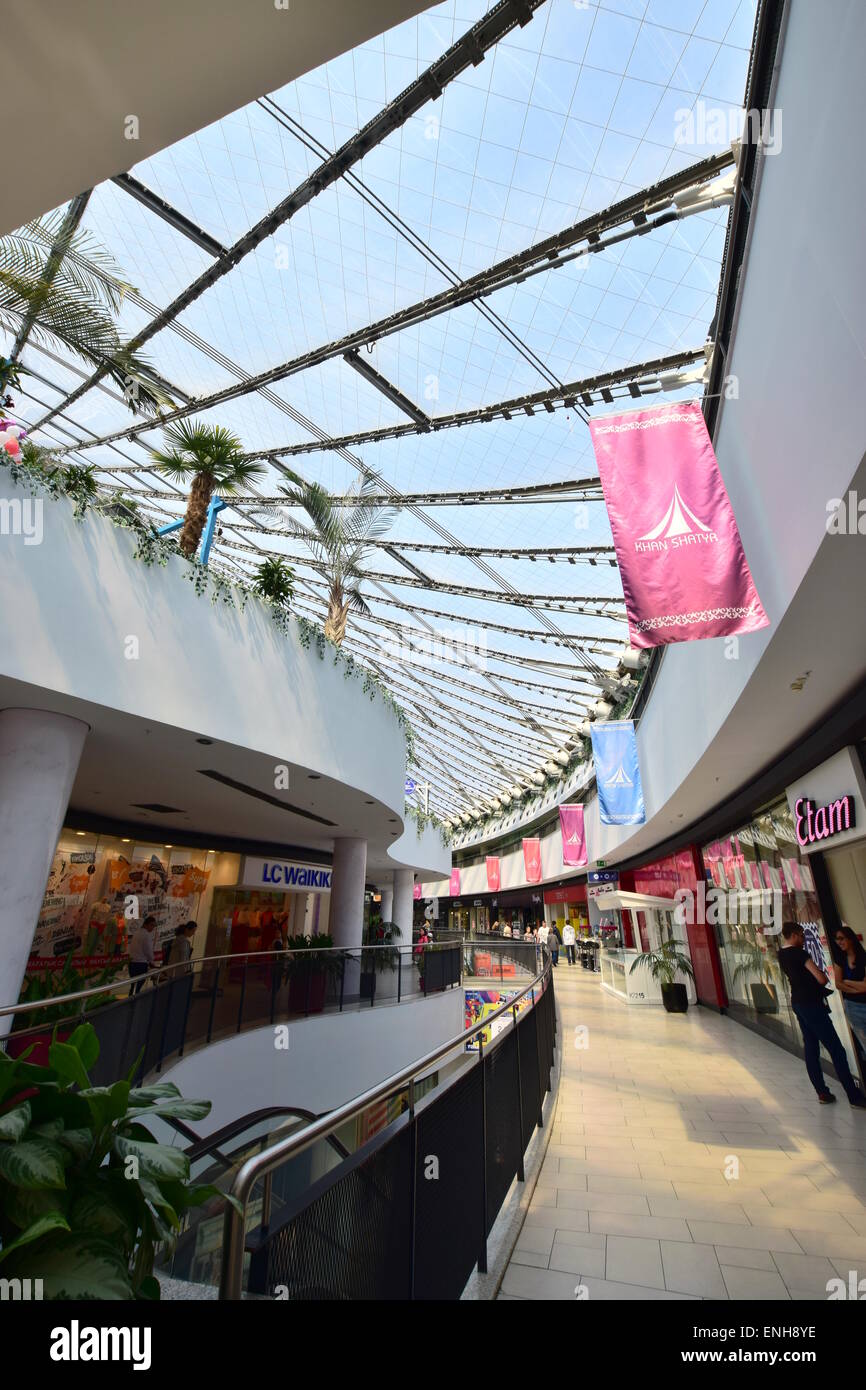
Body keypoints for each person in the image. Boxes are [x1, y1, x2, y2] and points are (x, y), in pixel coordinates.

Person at [778, 921, 866, 1107]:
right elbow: (821, 978)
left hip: (798, 1002)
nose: (803, 939)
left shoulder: (782, 954)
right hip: (812, 1004)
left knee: (811, 1047)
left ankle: (822, 1091)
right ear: (793, 935)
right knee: (835, 1048)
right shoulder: (800, 953)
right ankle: (854, 1095)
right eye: (801, 935)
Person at [832, 925, 866, 1054]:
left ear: (851, 939)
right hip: (853, 1007)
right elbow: (838, 984)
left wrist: (848, 982)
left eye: (842, 938)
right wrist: (859, 988)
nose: (839, 942)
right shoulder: (840, 960)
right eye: (837, 939)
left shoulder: (863, 957)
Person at [128, 915, 157, 995]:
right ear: (147, 924)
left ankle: (131, 1003)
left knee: (134, 986)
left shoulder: (136, 933)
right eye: (152, 925)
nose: (153, 928)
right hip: (140, 964)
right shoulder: (146, 935)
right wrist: (152, 962)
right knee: (137, 987)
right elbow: (148, 951)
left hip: (132, 963)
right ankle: (132, 1004)